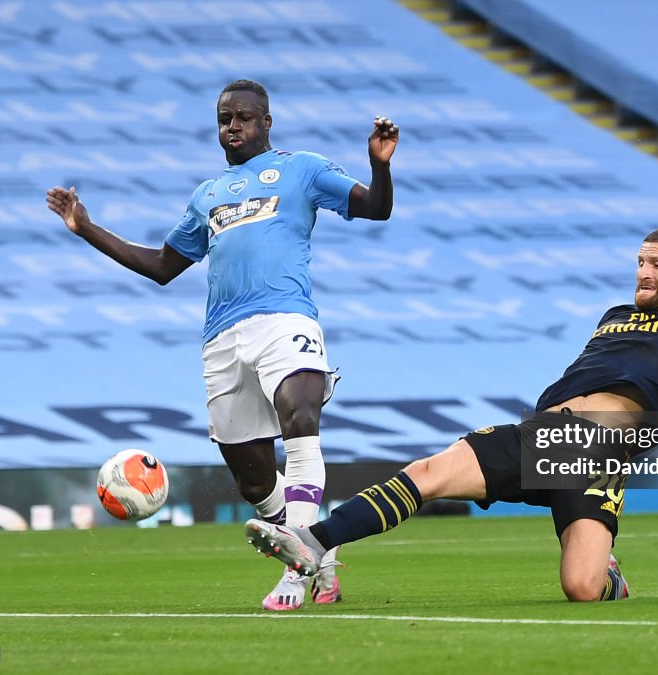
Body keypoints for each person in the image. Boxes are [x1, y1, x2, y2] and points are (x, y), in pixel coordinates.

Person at [246, 167, 658, 602]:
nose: (642, 272)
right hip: (552, 437)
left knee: (582, 589)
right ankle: (312, 542)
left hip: (600, 455)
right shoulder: (615, 315)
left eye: (657, 264)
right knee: (430, 473)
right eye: (640, 261)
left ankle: (607, 575)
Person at [46, 79, 400, 611]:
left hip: (285, 318)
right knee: (254, 479)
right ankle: (321, 561)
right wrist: (86, 228)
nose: (232, 126)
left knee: (300, 419)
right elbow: (163, 267)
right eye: (223, 119)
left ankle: (298, 564)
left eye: (243, 117)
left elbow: (375, 208)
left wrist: (379, 164)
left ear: (266, 122)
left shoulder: (302, 168)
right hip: (223, 338)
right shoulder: (207, 195)